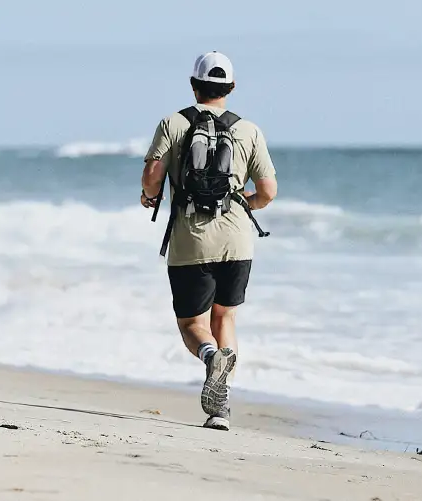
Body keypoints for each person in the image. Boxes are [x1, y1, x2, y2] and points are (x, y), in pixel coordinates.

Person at [139, 51, 277, 431]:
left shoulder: (173, 123)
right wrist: (241, 204)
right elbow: (268, 191)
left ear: (193, 85)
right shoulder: (248, 130)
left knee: (190, 324)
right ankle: (221, 408)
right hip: (236, 241)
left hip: (190, 241)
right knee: (226, 316)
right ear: (231, 87)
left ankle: (209, 354)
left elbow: (152, 175)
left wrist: (151, 196)